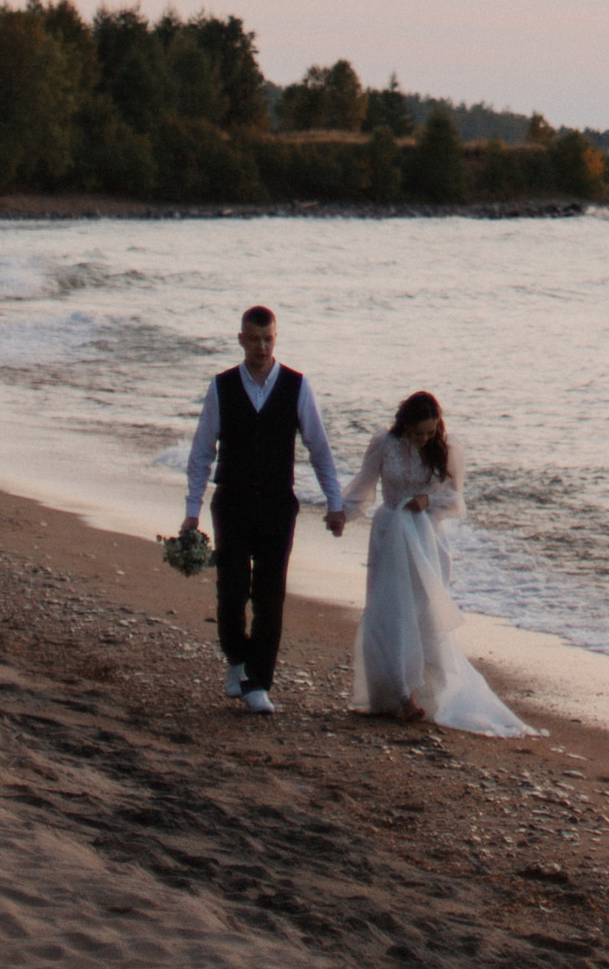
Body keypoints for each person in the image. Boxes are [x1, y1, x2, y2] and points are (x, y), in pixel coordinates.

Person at [178, 303, 347, 713]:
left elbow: (319, 448)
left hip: (277, 504)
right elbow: (202, 452)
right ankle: (236, 660)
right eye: (253, 339)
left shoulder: (297, 386)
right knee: (232, 592)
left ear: (276, 338)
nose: (261, 347)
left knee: (270, 596)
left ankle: (259, 684)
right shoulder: (221, 387)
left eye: (268, 339)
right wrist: (192, 510)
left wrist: (335, 502)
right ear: (241, 339)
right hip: (231, 503)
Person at [339, 387, 534, 739]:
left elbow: (456, 500)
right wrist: (341, 514)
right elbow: (364, 485)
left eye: (430, 432)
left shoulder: (446, 448)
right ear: (405, 425)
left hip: (426, 536)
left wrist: (428, 500)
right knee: (388, 610)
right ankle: (398, 694)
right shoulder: (384, 444)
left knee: (424, 613)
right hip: (390, 533)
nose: (425, 439)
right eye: (419, 433)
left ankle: (429, 690)